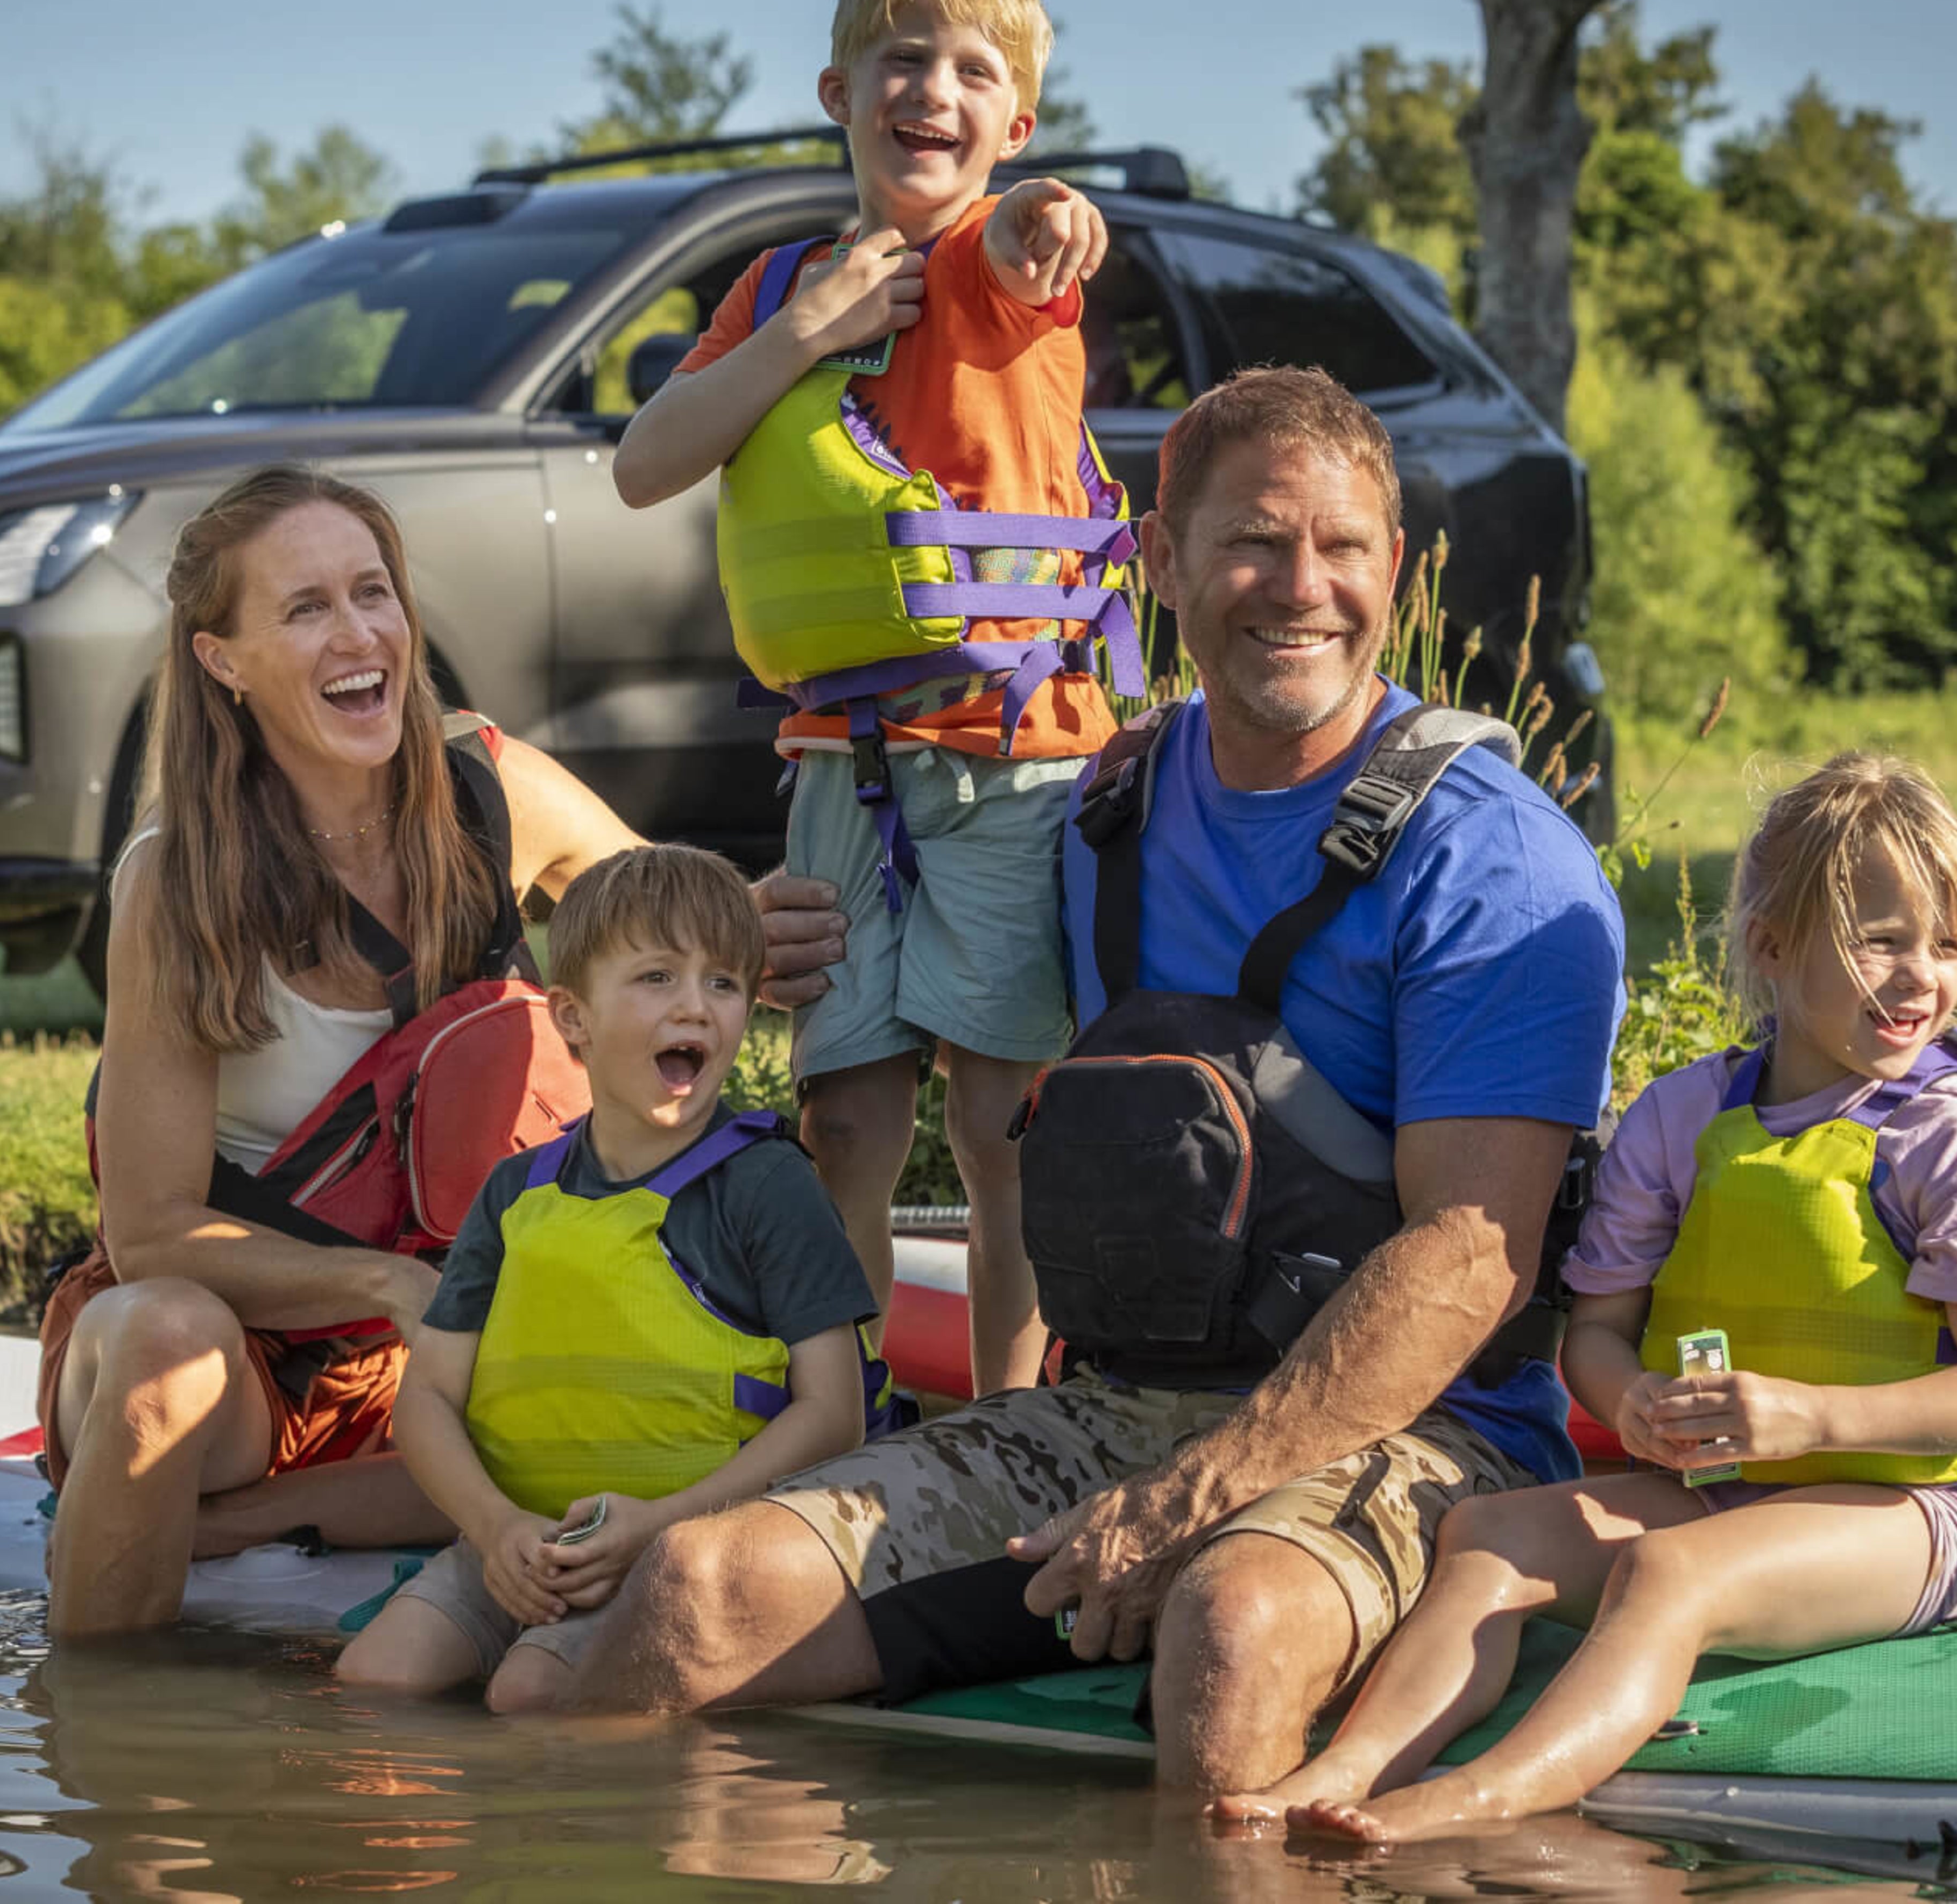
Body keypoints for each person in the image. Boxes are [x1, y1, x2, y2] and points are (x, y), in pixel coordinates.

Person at [571, 366, 1628, 1797]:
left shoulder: (1494, 859)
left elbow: (1471, 1256)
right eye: (1254, 539)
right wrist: (741, 954)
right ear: (1158, 561)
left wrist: (1209, 1493)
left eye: (1345, 548)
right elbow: (905, 1024)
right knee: (695, 1590)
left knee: (1232, 1629)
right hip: (1120, 1406)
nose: (1299, 586)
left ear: (1391, 567)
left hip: (1428, 1432)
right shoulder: (1093, 816)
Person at [37, 463, 844, 1638]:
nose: (359, 632)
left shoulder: (491, 788)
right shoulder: (174, 881)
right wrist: (389, 1284)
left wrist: (787, 936)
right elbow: (150, 1231)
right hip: (241, 1366)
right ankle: (119, 1758)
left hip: (438, 1359)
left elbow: (679, 942)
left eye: (374, 593)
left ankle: (261, 1521)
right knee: (167, 1335)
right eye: (306, 608)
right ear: (225, 661)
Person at [1224, 752, 1957, 1845]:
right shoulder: (1682, 1119)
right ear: (1772, 947)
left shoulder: (1948, 1138)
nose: (1921, 979)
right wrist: (1636, 1401)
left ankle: (1481, 1797)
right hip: (1733, 1489)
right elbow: (1596, 1338)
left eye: (1947, 946)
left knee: (1670, 1572)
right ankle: (1345, 1769)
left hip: (1931, 1513)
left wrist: (1819, 1418)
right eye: (1882, 941)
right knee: (1486, 1534)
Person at [611, 0, 1134, 1395]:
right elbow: (649, 464)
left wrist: (1046, 217)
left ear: (1016, 122)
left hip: (1011, 760)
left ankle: (1013, 1425)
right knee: (845, 1119)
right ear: (841, 91)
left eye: (978, 72)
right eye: (905, 61)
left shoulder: (996, 261)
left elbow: (1040, 234)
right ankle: (835, 1433)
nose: (936, 91)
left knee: (997, 1121)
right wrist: (805, 331)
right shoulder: (780, 284)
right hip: (844, 769)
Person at [334, 843, 878, 1711]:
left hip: (677, 1550)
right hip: (515, 1545)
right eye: (658, 978)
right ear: (573, 1020)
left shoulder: (770, 1185)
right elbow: (428, 1397)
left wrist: (657, 1527)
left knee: (527, 1698)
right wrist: (494, 1526)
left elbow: (834, 1414)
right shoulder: (517, 1192)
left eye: (724, 984)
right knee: (372, 1685)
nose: (695, 1007)